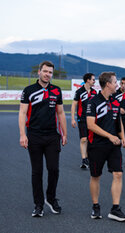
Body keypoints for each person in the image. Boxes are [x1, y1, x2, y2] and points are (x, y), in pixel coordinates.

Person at [19, 61, 67, 217]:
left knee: (54, 169)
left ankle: (51, 199)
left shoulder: (56, 90)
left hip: (52, 136)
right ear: (39, 72)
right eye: (45, 71)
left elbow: (60, 113)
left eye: (50, 72)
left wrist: (64, 133)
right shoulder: (29, 91)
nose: (48, 74)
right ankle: (38, 204)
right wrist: (22, 134)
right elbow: (22, 113)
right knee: (37, 172)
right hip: (34, 135)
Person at [86, 72, 125, 221]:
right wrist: (110, 136)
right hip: (97, 145)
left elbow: (119, 124)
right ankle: (95, 206)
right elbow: (90, 125)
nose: (117, 84)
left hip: (114, 145)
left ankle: (115, 209)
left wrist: (123, 138)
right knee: (96, 176)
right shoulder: (93, 102)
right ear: (108, 84)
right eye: (115, 82)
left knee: (118, 174)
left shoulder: (116, 102)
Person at [71, 73, 97, 169]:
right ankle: (84, 159)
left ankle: (89, 157)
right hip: (82, 118)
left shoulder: (95, 92)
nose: (94, 81)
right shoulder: (79, 92)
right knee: (83, 139)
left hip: (92, 119)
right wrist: (73, 119)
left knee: (91, 140)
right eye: (93, 79)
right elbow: (74, 105)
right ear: (88, 80)